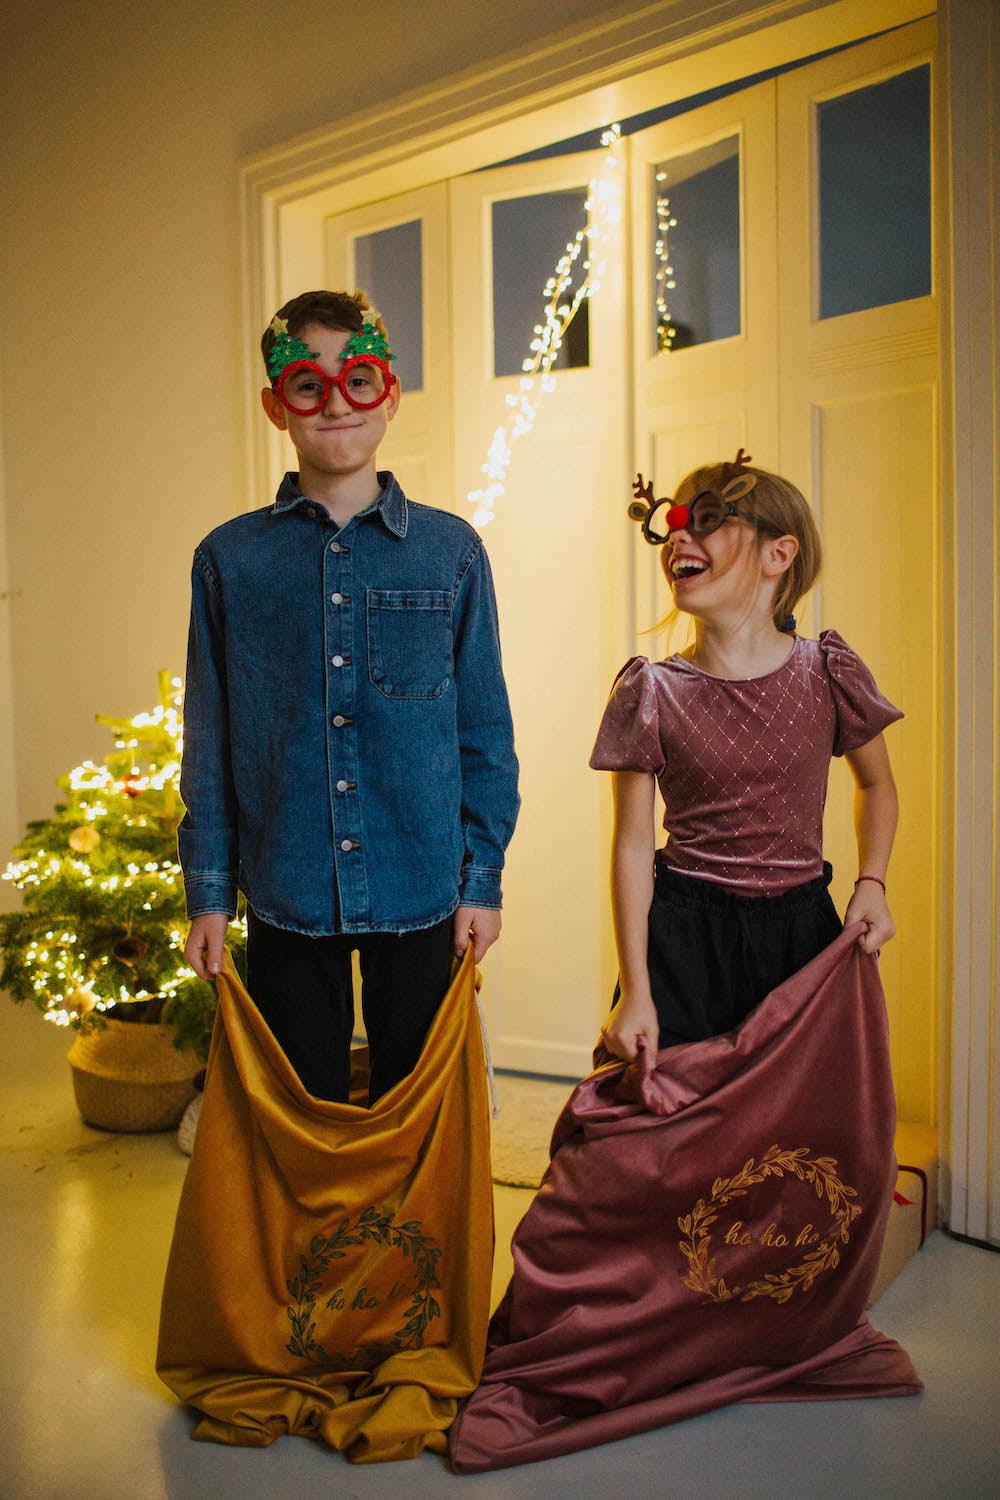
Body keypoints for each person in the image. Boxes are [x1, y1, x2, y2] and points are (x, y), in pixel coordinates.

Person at [177, 288, 519, 1103]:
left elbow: (484, 730)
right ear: (276, 405)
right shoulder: (229, 560)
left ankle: (411, 1236)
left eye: (357, 379)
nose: (334, 404)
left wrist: (482, 879)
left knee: (420, 1107)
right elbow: (211, 737)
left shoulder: (451, 552)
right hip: (286, 887)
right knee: (300, 1111)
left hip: (423, 884)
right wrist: (210, 894)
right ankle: (316, 1237)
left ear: (390, 395)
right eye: (307, 385)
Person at [590, 450, 902, 1061]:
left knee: (788, 1127)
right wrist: (635, 989)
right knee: (655, 1124)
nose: (678, 534)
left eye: (706, 518)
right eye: (671, 521)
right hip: (684, 937)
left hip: (799, 935)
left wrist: (873, 881)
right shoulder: (650, 692)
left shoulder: (829, 672)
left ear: (777, 555)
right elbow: (631, 843)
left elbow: (879, 785)